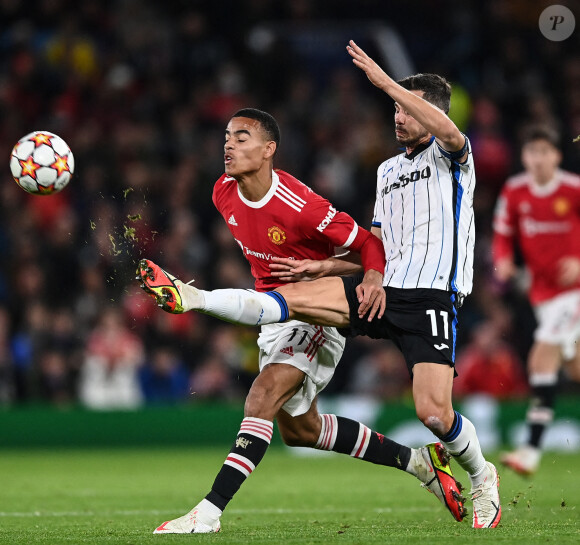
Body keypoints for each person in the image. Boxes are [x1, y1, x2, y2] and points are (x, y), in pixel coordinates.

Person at [139, 105, 467, 534]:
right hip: (273, 313)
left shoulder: (301, 205)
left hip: (317, 313)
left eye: (241, 137)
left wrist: (364, 278)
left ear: (268, 149)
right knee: (302, 430)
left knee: (262, 394)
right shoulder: (223, 191)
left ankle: (209, 511)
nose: (228, 145)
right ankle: (418, 462)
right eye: (226, 137)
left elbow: (371, 244)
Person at [492, 124, 580, 475]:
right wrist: (503, 260)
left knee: (541, 356)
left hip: (574, 293)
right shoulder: (514, 192)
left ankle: (530, 450)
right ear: (524, 157)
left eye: (545, 152)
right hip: (541, 295)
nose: (538, 159)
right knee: (574, 368)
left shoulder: (573, 189)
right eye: (532, 152)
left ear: (556, 155)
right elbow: (502, 233)